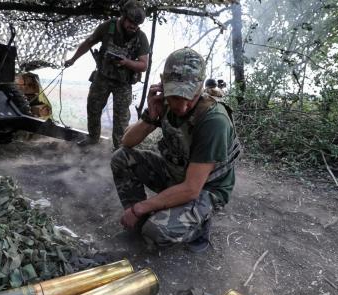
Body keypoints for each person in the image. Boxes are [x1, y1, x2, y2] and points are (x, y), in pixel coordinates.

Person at [111, 48, 241, 253]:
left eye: (190, 96)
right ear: (163, 84)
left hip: (205, 189)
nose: (181, 107)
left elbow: (191, 188)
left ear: (200, 87)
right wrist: (151, 118)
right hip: (176, 173)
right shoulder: (161, 101)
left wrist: (139, 207)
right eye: (175, 97)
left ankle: (199, 226)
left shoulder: (213, 120)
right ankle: (144, 219)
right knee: (121, 159)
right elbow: (126, 143)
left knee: (155, 232)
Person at [64, 0, 149, 149]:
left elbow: (143, 65)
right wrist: (73, 59)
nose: (133, 27)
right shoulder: (107, 27)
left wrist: (126, 62)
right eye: (131, 22)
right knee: (93, 107)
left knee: (121, 118)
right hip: (102, 77)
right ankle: (92, 138)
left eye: (137, 25)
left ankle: (119, 149)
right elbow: (88, 43)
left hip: (123, 84)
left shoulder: (140, 37)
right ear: (123, 16)